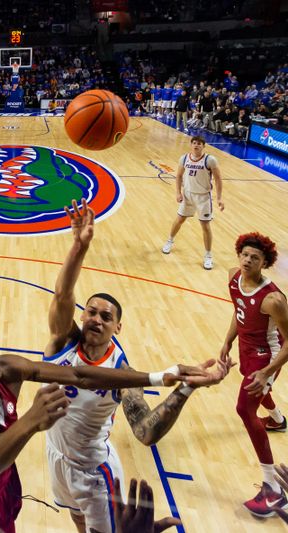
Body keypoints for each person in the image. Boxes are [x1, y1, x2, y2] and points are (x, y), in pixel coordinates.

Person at [45, 199, 232, 533]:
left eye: (107, 316)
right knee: (76, 519)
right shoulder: (63, 341)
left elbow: (146, 432)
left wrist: (187, 386)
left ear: (118, 328)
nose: (96, 319)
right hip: (56, 455)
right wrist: (79, 245)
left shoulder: (122, 373)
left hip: (94, 471)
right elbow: (61, 295)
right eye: (91, 311)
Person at [219, 232, 288, 517]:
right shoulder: (234, 276)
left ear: (265, 263)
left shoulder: (274, 299)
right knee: (257, 394)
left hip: (268, 356)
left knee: (244, 409)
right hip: (248, 348)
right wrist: (227, 341)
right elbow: (239, 311)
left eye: (255, 258)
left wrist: (268, 371)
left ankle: (272, 491)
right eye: (245, 254)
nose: (247, 260)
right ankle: (277, 419)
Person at [161, 136, 224, 270]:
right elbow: (178, 176)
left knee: (205, 226)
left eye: (199, 144)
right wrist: (178, 192)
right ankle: (169, 241)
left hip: (203, 197)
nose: (196, 145)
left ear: (203, 146)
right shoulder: (184, 158)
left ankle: (208, 256)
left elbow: (218, 179)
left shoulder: (210, 160)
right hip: (188, 195)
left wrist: (219, 198)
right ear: (191, 145)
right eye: (194, 143)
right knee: (179, 219)